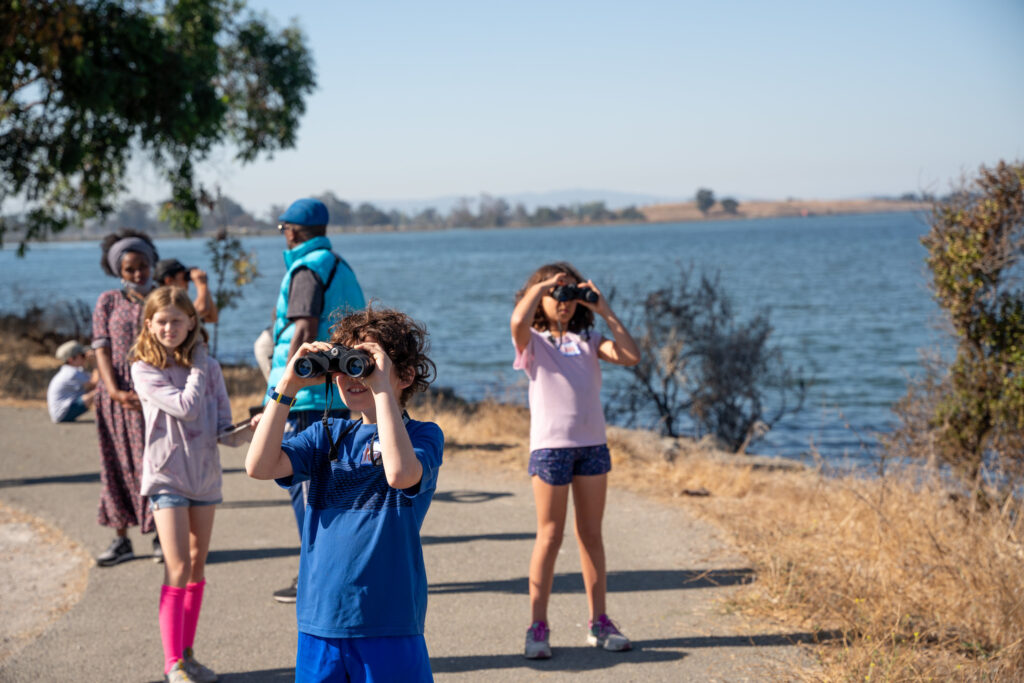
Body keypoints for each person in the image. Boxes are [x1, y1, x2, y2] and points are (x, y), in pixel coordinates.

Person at [245, 305, 442, 682]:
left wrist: (381, 387)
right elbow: (259, 466)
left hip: (389, 620)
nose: (353, 376)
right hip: (321, 619)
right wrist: (286, 388)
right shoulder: (326, 434)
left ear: (406, 375)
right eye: (346, 365)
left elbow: (400, 474)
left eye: (365, 363)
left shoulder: (423, 436)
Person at [510, 261, 642, 659]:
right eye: (555, 295)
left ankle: (599, 622)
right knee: (550, 536)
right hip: (550, 449)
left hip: (592, 447)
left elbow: (631, 355)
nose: (562, 302)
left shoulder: (590, 339)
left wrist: (605, 309)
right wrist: (545, 284)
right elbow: (517, 319)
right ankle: (538, 626)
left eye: (569, 295)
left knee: (591, 535)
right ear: (541, 298)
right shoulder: (532, 341)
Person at [130, 286, 252, 683]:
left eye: (176, 321)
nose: (169, 328)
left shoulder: (210, 368)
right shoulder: (143, 368)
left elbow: (222, 432)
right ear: (149, 324)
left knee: (198, 566)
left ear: (191, 323)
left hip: (204, 476)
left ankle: (187, 653)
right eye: (161, 321)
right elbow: (183, 406)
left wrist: (253, 429)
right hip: (166, 477)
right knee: (178, 566)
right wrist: (200, 359)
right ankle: (173, 666)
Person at [266, 197, 366, 603]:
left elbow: (304, 328)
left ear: (293, 231)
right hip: (338, 388)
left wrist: (286, 386)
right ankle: (337, 568)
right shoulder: (341, 266)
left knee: (305, 487)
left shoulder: (307, 268)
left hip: (309, 399)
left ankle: (316, 571)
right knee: (335, 483)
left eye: (282, 228)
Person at [92, 229, 162, 567]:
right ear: (118, 271)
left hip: (155, 396)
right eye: (130, 269)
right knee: (116, 464)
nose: (138, 274)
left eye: (143, 266)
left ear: (152, 264)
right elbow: (101, 349)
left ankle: (162, 534)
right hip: (116, 398)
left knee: (157, 464)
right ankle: (121, 540)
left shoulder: (162, 299)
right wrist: (115, 391)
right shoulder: (108, 302)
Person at [47, 340, 99, 423]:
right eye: (82, 355)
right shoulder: (71, 373)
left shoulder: (71, 371)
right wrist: (95, 363)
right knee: (99, 391)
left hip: (61, 412)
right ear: (71, 359)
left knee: (94, 390)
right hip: (62, 414)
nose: (85, 358)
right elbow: (96, 381)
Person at [154, 258, 219, 324]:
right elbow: (202, 309)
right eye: (184, 277)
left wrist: (205, 287)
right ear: (169, 280)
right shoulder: (163, 303)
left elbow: (212, 317)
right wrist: (202, 284)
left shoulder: (180, 302)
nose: (187, 281)